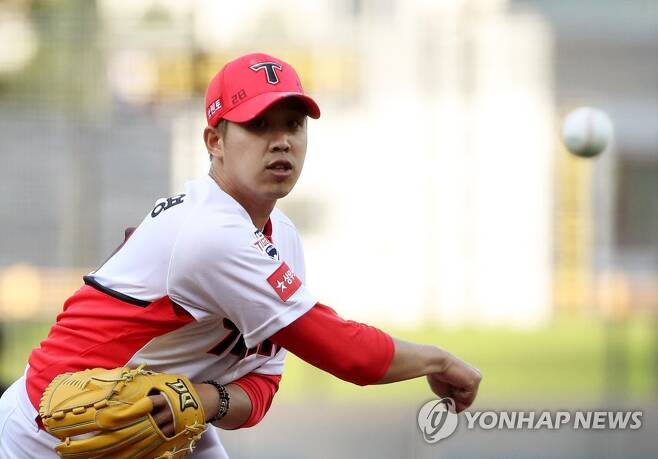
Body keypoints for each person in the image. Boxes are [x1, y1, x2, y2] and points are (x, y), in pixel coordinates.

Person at [0, 53, 481, 458]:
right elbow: (345, 353)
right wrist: (437, 361)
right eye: (258, 124)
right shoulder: (210, 231)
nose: (281, 140)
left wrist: (206, 399)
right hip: (44, 436)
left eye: (294, 124)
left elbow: (264, 382)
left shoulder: (280, 236)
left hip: (152, 424)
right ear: (215, 142)